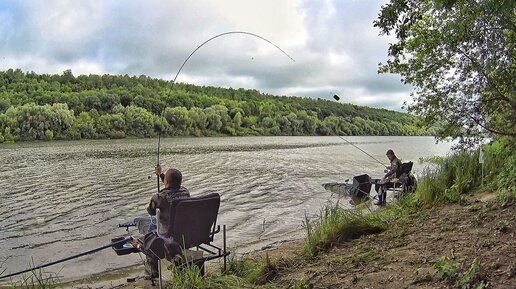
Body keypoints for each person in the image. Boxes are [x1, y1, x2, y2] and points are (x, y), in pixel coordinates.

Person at [144, 164, 190, 279]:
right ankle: (177, 258)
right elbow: (172, 185)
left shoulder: (159, 197)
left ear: (166, 181)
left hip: (168, 235)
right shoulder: (186, 192)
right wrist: (161, 175)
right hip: (186, 234)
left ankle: (152, 271)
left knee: (148, 239)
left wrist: (158, 197)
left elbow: (151, 211)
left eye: (165, 180)